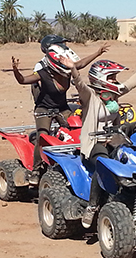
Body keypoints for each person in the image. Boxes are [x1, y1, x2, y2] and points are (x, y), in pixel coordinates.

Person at [68, 56, 136, 227]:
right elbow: (80, 84)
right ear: (100, 78)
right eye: (111, 77)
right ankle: (92, 207)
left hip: (114, 141)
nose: (115, 80)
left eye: (115, 76)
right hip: (94, 144)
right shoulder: (90, 96)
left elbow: (130, 83)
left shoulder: (113, 94)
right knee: (103, 164)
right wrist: (73, 69)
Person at [10, 35, 109, 167]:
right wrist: (16, 70)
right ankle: (36, 169)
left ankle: (79, 157)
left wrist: (98, 52)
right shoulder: (42, 73)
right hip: (44, 109)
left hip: (62, 107)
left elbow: (81, 64)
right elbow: (22, 80)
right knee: (43, 137)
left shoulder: (68, 70)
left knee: (78, 128)